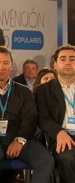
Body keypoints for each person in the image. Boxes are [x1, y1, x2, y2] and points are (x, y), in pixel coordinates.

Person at [0, 46, 53, 182]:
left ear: (11, 66)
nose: (2, 67)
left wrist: (19, 140)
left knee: (46, 159)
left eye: (6, 63)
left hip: (21, 139)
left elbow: (30, 119)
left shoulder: (24, 92)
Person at [35, 45, 75, 183]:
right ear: (55, 65)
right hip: (61, 137)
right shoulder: (43, 90)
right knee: (67, 158)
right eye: (63, 59)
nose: (68, 62)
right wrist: (59, 132)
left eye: (72, 59)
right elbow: (44, 119)